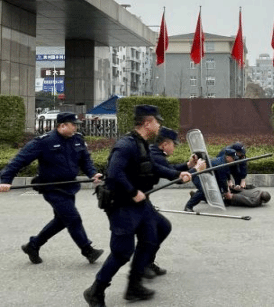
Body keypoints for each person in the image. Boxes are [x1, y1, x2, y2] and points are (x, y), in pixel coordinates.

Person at [83, 105, 192, 307]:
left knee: (150, 239)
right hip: (122, 204)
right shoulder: (126, 145)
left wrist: (178, 174)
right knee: (122, 252)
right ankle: (95, 291)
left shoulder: (142, 144)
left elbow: (153, 167)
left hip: (141, 204)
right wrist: (133, 192)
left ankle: (134, 286)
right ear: (147, 123)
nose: (159, 126)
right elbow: (114, 173)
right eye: (157, 122)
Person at [0, 112, 104, 265]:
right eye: (73, 125)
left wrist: (93, 173)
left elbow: (85, 160)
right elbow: (20, 160)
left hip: (69, 186)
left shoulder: (77, 139)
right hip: (51, 187)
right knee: (73, 218)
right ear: (62, 125)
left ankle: (33, 245)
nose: (75, 128)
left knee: (62, 220)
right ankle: (88, 250)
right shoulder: (44, 142)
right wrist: (5, 180)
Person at [146, 127, 206, 280]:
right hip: (134, 199)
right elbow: (177, 179)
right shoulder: (156, 156)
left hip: (141, 198)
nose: (175, 147)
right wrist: (196, 169)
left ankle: (146, 263)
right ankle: (143, 266)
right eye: (174, 144)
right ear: (165, 144)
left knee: (160, 228)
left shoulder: (155, 153)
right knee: (158, 229)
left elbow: (169, 169)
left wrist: (188, 165)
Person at [185, 147, 238, 212]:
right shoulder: (221, 164)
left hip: (206, 175)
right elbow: (222, 180)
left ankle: (195, 196)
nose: (234, 160)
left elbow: (225, 175)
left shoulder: (224, 161)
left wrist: (228, 183)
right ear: (228, 157)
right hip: (197, 175)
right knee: (203, 190)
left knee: (216, 190)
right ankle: (188, 206)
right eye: (233, 158)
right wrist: (226, 192)